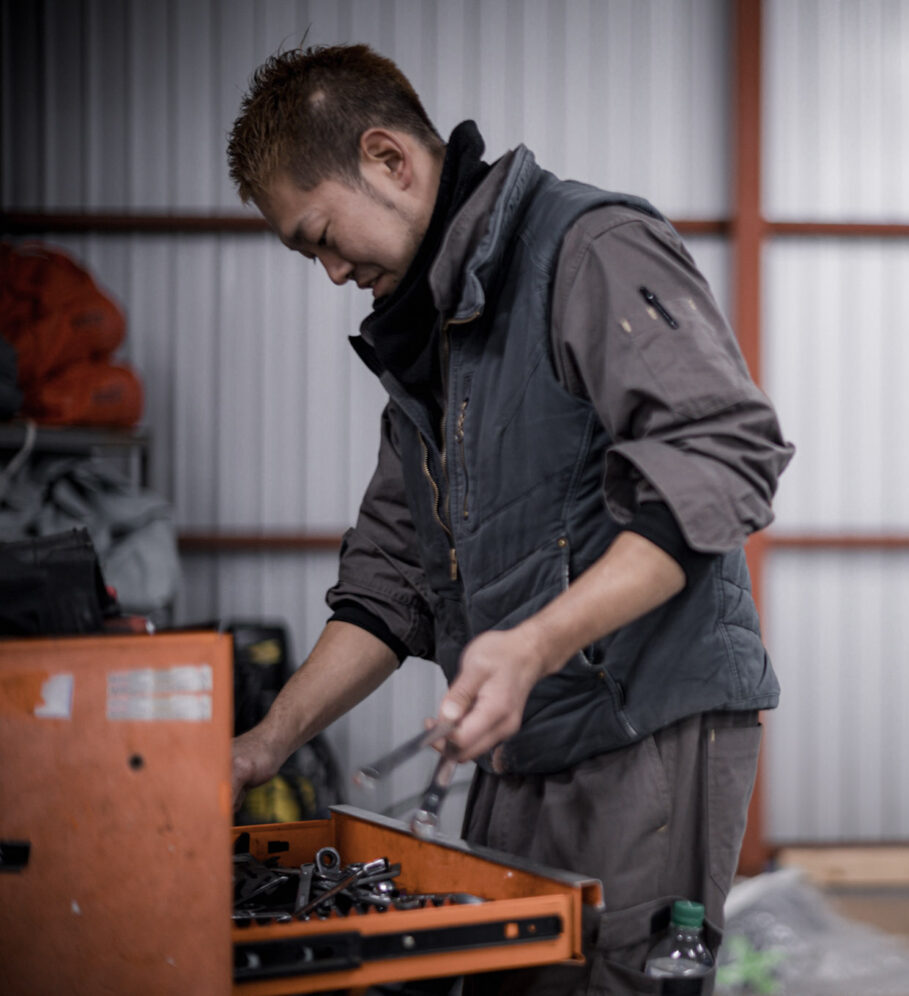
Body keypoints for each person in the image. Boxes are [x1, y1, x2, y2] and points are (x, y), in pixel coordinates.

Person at [225, 44, 792, 993]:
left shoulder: (588, 250)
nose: (329, 272)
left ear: (389, 161)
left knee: (615, 979)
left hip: (644, 728)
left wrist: (534, 645)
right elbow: (390, 579)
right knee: (500, 972)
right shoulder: (432, 344)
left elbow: (720, 457)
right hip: (520, 741)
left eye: (320, 235)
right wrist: (267, 742)